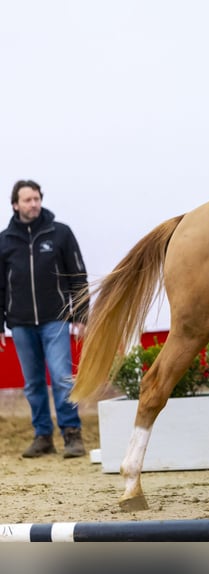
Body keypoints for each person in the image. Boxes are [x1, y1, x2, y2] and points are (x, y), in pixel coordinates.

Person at [0, 180, 89, 458]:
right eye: (27, 200)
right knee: (33, 384)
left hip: (56, 319)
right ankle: (42, 437)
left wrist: (81, 314)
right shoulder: (4, 241)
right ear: (15, 204)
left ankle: (72, 434)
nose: (33, 204)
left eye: (36, 198)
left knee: (63, 378)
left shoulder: (60, 233)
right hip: (21, 323)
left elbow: (78, 276)